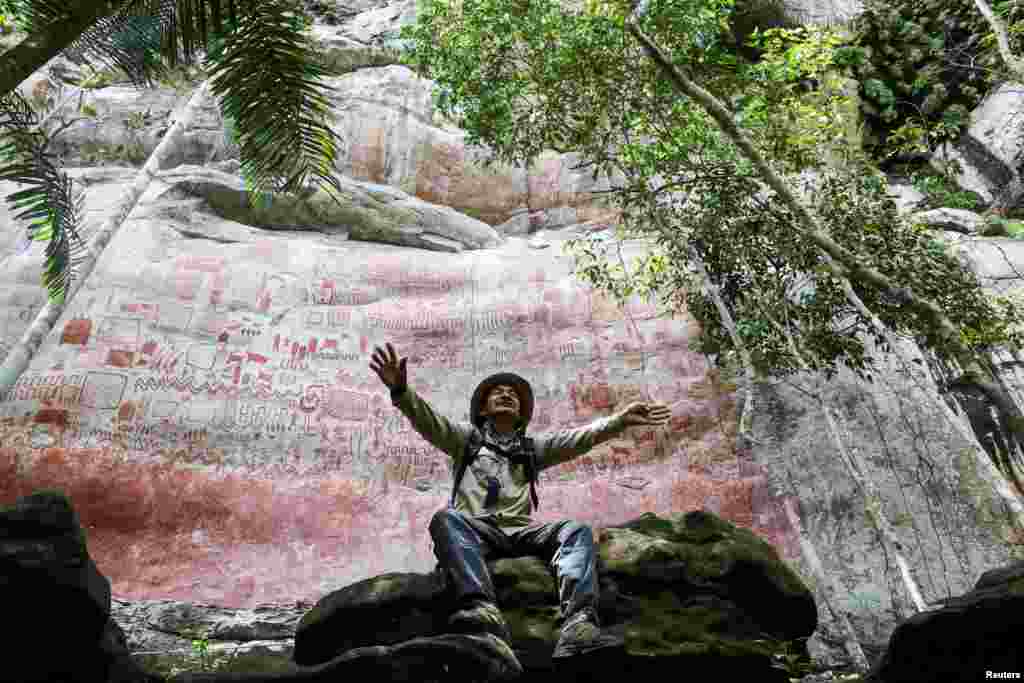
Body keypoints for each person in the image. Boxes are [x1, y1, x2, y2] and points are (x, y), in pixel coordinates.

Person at [369, 342, 671, 665]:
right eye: (496, 392)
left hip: (520, 534)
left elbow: (580, 438)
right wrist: (401, 390)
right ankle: (481, 614)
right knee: (445, 519)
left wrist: (619, 421)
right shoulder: (466, 440)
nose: (506, 394)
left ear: (521, 414)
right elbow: (428, 421)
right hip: (476, 531)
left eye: (512, 393)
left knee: (575, 530)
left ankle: (579, 625)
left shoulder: (532, 450)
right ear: (483, 410)